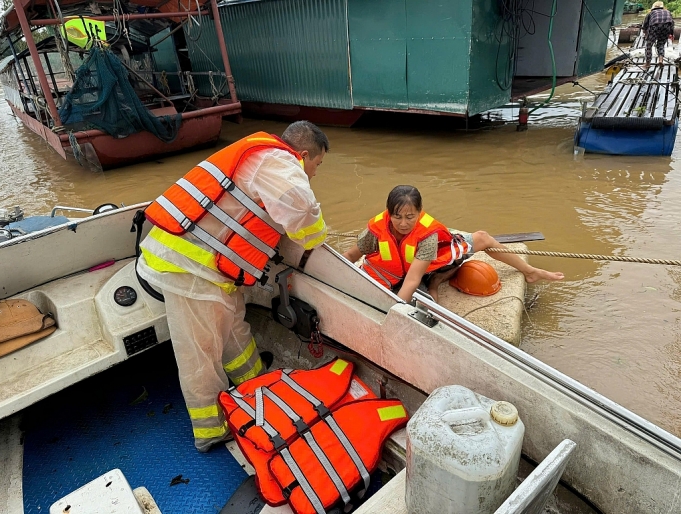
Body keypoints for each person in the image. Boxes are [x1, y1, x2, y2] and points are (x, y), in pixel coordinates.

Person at [137, 121, 329, 452]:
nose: (314, 173)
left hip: (208, 269)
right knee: (201, 352)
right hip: (190, 269)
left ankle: (254, 384)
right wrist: (318, 238)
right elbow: (301, 212)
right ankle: (211, 429)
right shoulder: (278, 161)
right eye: (317, 165)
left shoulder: (256, 153)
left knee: (233, 328)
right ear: (304, 154)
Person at [342, 185, 564, 303]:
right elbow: (351, 255)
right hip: (393, 274)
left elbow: (412, 279)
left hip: (421, 267)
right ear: (388, 213)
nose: (403, 223)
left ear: (419, 213)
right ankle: (434, 284)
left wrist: (394, 310)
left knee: (483, 237)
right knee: (425, 302)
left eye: (410, 217)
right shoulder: (376, 230)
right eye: (397, 217)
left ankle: (530, 271)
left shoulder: (426, 235)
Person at [642, 1, 674, 71]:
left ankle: (647, 64)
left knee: (649, 46)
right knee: (661, 44)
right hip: (666, 27)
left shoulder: (651, 13)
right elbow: (672, 23)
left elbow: (645, 25)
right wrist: (671, 34)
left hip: (654, 26)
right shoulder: (668, 12)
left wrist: (646, 34)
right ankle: (660, 60)